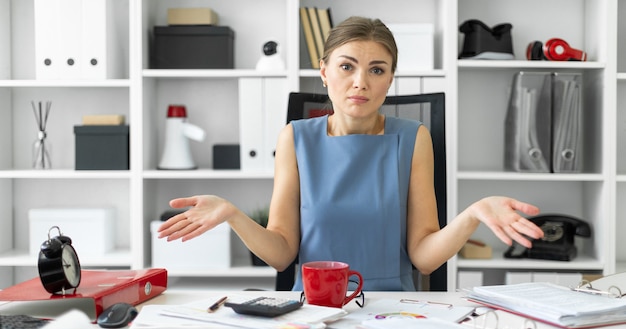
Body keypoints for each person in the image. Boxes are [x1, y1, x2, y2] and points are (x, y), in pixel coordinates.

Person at [158, 16, 544, 291]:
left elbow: (424, 258)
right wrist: (232, 214)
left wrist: (472, 214)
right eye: (347, 66)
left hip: (392, 310)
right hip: (313, 311)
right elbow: (280, 254)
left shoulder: (413, 138)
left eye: (377, 70)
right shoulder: (294, 138)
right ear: (324, 71)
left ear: (390, 79)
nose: (361, 82)